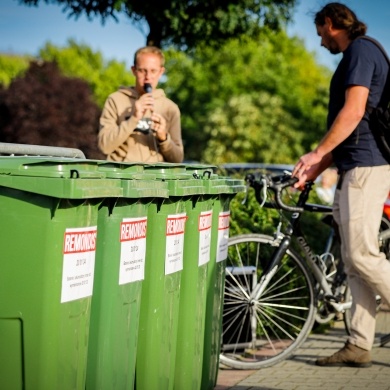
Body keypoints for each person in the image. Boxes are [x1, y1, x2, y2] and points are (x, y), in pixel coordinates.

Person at [292, 2, 390, 367]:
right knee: (353, 262)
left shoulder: (361, 51)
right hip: (354, 167)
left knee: (363, 255)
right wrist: (316, 166)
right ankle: (359, 344)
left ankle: (359, 342)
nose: (320, 43)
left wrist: (317, 150)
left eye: (321, 34)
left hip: (367, 167)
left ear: (330, 23)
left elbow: (353, 112)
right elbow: (346, 128)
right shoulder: (355, 56)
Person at [98, 46, 184, 163]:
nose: (148, 77)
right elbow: (104, 146)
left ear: (161, 72)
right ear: (134, 70)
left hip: (156, 178)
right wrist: (133, 119)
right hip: (121, 175)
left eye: (153, 71)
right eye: (142, 70)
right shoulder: (115, 100)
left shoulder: (170, 108)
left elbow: (178, 159)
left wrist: (164, 138)